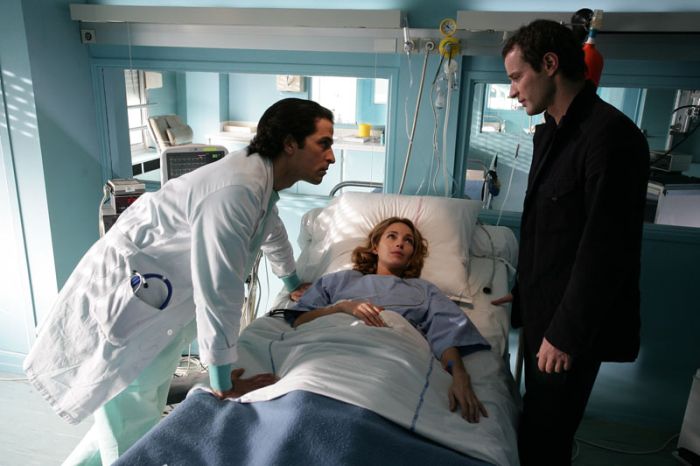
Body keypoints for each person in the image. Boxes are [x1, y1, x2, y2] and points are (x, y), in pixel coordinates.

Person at [23, 97, 336, 465]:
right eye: (323, 143)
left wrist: (292, 280)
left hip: (159, 310)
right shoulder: (236, 188)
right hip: (130, 307)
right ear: (290, 143)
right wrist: (221, 380)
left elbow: (271, 227)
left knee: (133, 414)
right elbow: (219, 289)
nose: (331, 157)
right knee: (128, 425)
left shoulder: (259, 184)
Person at [495, 20, 650, 465]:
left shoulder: (611, 137)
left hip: (570, 329)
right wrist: (524, 293)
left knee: (546, 440)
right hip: (546, 311)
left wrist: (563, 335)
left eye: (516, 77)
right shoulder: (551, 132)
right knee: (536, 426)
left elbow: (607, 249)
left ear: (549, 64)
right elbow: (548, 230)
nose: (512, 91)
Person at [286, 217, 491, 423]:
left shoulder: (424, 290)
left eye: (408, 241)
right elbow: (300, 320)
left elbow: (446, 335)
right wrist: (342, 307)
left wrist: (459, 374)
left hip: (389, 359)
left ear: (411, 256)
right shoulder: (338, 280)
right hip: (332, 353)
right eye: (392, 236)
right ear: (375, 247)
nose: (400, 243)